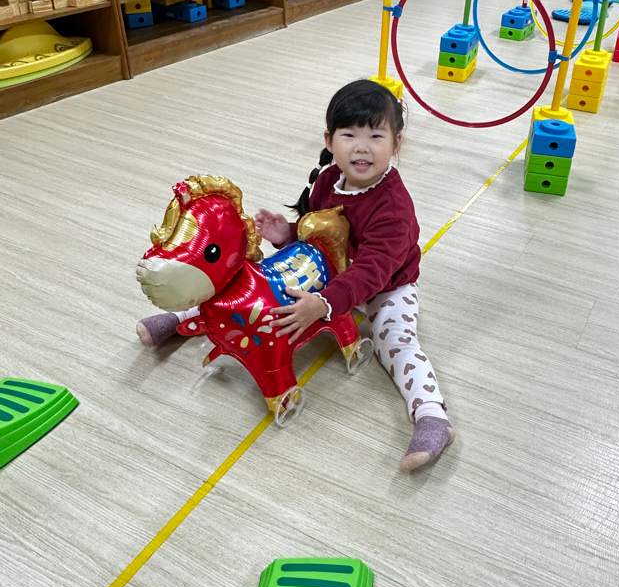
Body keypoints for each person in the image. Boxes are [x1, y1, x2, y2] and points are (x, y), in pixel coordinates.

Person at [137, 79, 454, 472]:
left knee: (396, 342)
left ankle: (431, 415)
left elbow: (372, 271)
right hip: (328, 272)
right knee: (254, 287)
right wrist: (286, 233)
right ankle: (187, 316)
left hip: (384, 287)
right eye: (349, 135)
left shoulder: (392, 208)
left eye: (376, 136)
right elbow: (319, 230)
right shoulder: (328, 179)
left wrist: (324, 304)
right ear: (329, 140)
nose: (362, 147)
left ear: (397, 143)